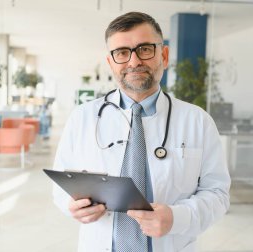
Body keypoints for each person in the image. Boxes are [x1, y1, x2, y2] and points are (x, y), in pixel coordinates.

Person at [52, 11, 230, 252]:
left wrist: (178, 218)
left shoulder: (198, 121)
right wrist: (72, 206)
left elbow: (217, 193)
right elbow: (62, 189)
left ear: (164, 55)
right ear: (111, 63)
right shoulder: (82, 118)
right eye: (122, 53)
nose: (134, 62)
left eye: (145, 49)